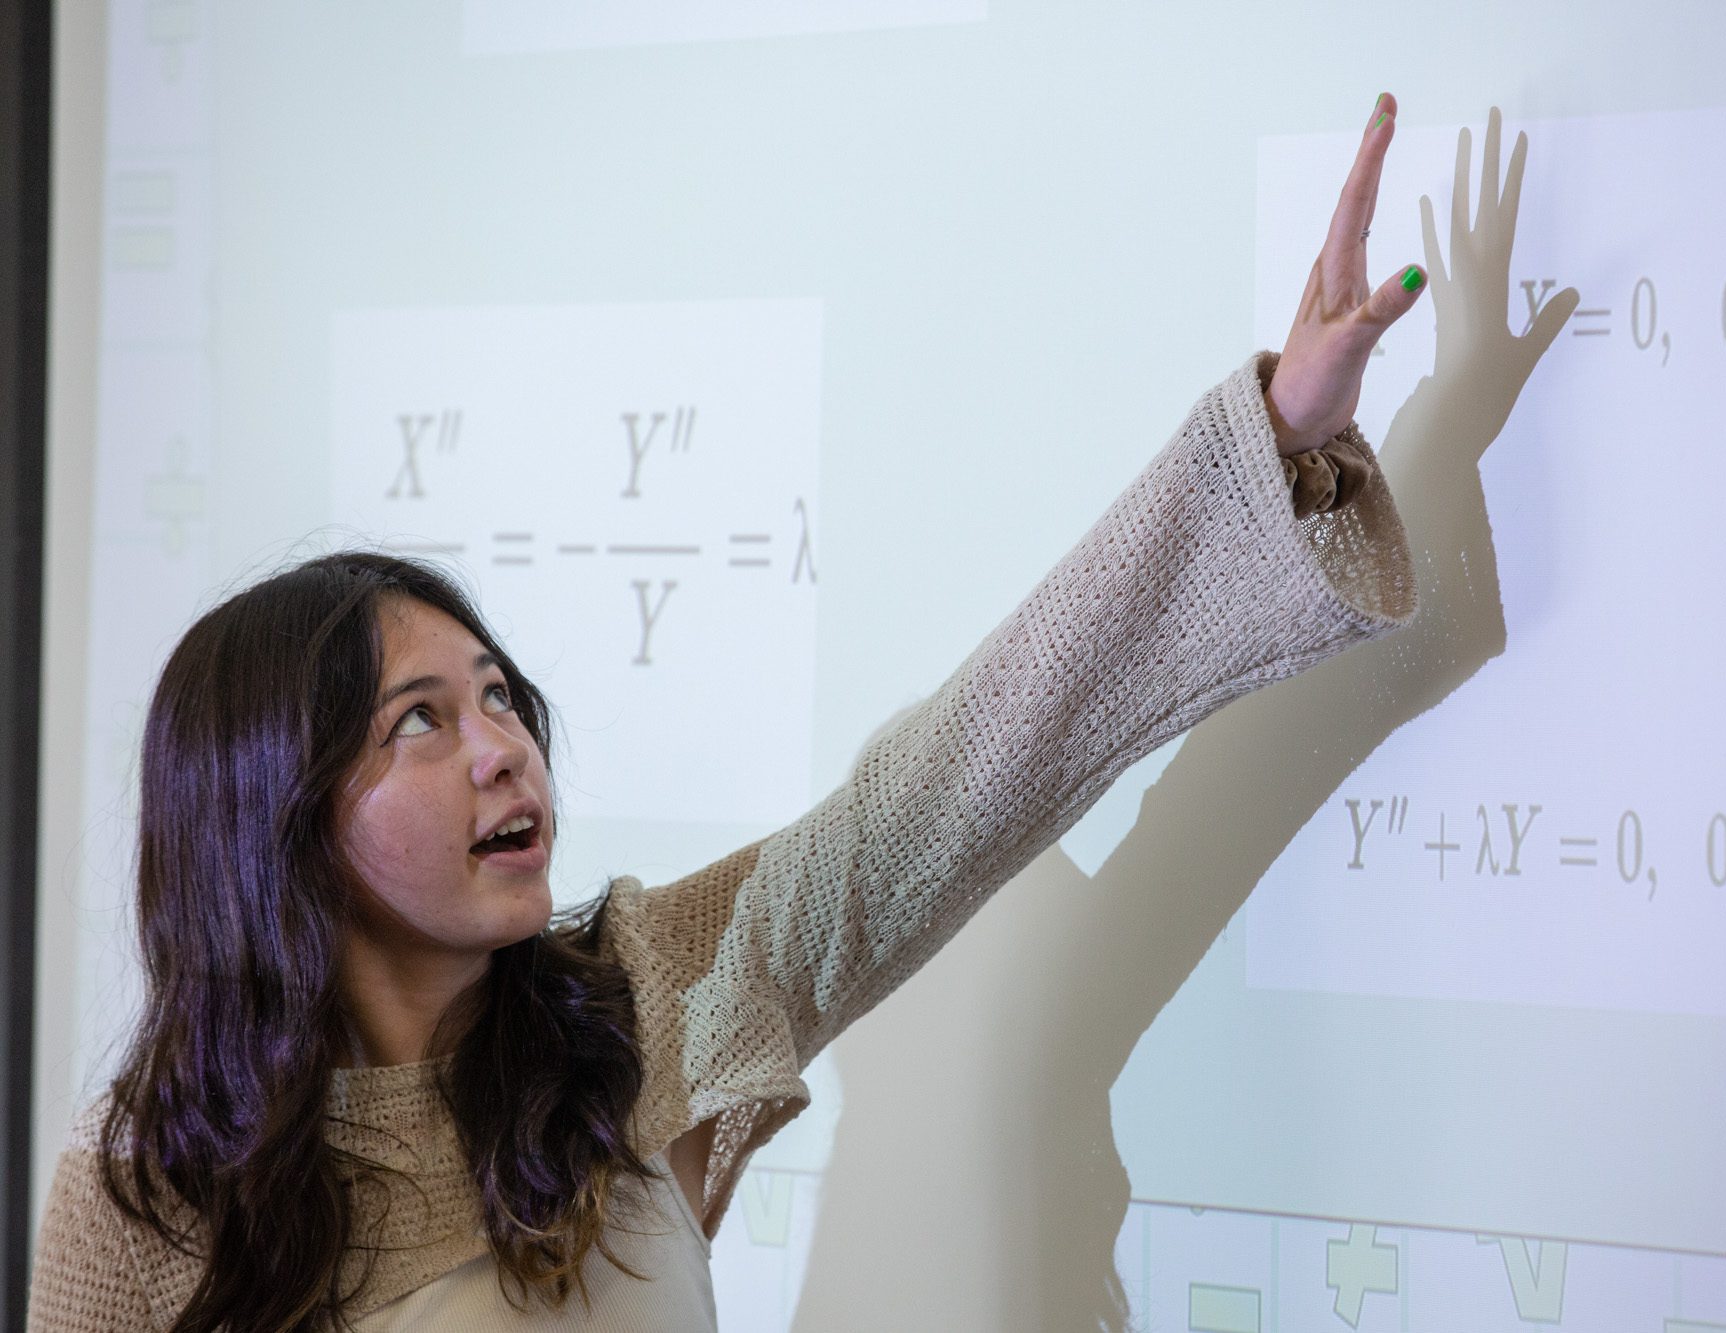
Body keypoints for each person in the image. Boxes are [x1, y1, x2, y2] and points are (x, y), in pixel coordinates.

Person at [29, 91, 1439, 1331]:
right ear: (277, 814)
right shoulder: (151, 1195)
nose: (504, 743)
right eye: (419, 720)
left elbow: (966, 775)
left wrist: (1272, 438)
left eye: (502, 696)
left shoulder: (646, 1002)